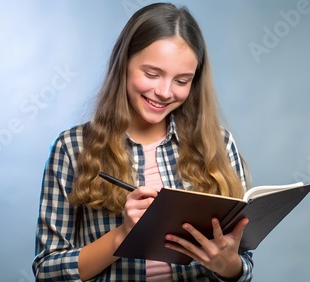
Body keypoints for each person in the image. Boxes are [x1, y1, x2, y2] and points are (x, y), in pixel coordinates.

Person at [33, 2, 253, 281]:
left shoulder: (218, 144)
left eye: (182, 80)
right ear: (123, 64)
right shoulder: (72, 148)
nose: (164, 92)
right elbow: (47, 271)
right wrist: (122, 235)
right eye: (152, 74)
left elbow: (243, 266)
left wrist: (226, 265)